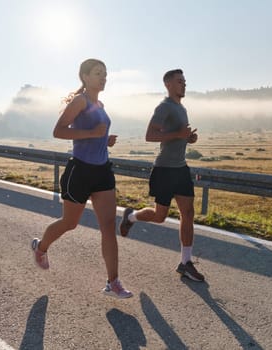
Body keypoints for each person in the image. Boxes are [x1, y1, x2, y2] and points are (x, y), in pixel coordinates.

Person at [31, 58, 132, 299]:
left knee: (108, 226)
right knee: (70, 223)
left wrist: (104, 140)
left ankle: (113, 282)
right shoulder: (80, 101)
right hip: (81, 171)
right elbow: (59, 131)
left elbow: (95, 136)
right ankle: (40, 247)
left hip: (102, 171)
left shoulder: (101, 104)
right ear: (85, 77)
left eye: (105, 74)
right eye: (98, 73)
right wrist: (91, 133)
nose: (103, 77)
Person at [119, 68, 204, 282]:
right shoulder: (164, 107)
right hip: (164, 170)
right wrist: (178, 134)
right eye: (179, 81)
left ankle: (186, 262)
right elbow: (149, 135)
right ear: (168, 85)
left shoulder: (182, 108)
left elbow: (176, 137)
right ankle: (130, 217)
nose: (184, 84)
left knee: (188, 213)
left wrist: (188, 139)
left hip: (181, 169)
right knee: (160, 216)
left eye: (185, 81)